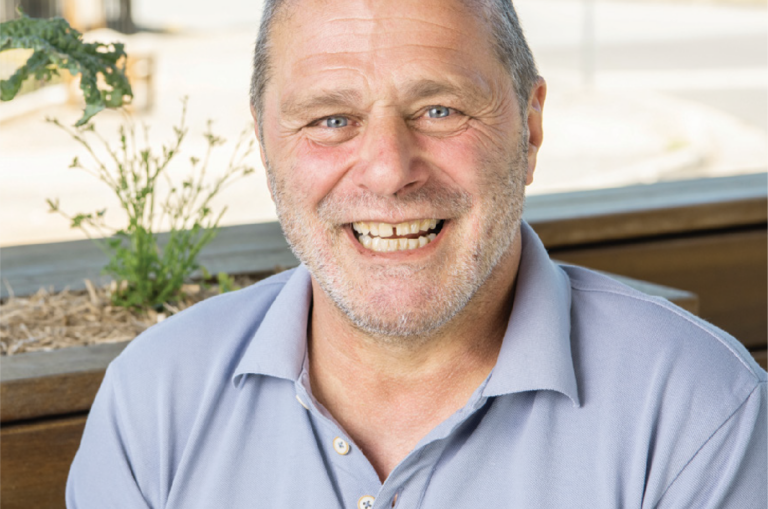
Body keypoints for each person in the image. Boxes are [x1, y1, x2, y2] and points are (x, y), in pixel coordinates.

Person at [66, 0, 768, 507]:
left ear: (530, 126)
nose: (388, 171)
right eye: (331, 119)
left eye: (440, 110)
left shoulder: (699, 412)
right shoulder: (153, 400)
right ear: (264, 143)